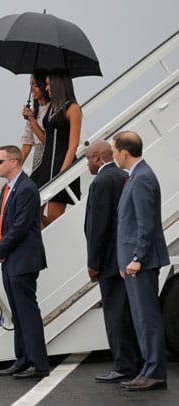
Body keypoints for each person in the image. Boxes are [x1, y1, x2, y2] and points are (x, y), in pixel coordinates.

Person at [112, 131, 170, 391]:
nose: (113, 155)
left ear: (125, 152)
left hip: (142, 263)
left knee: (148, 318)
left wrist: (136, 258)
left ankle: (155, 372)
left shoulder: (142, 178)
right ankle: (148, 369)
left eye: (114, 151)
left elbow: (146, 225)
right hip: (134, 264)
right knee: (140, 318)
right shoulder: (135, 176)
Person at [83, 140, 142, 383]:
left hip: (108, 261)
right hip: (123, 257)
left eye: (88, 159)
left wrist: (93, 262)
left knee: (115, 315)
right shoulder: (124, 176)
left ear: (98, 158)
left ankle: (123, 366)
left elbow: (99, 227)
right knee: (127, 314)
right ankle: (134, 361)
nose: (87, 164)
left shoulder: (101, 182)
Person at [0, 145, 49, 379]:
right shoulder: (8, 189)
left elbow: (20, 227)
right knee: (17, 312)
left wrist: (1, 249)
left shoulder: (26, 188)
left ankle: (39, 363)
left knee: (27, 312)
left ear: (14, 162)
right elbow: (3, 223)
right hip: (11, 258)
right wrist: (0, 249)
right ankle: (23, 359)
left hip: (23, 259)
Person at [30, 69, 81, 227]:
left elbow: (73, 144)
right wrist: (31, 119)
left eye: (48, 84)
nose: (46, 88)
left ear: (58, 84)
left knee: (53, 220)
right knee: (31, 211)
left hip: (61, 166)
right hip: (45, 168)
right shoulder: (51, 107)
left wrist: (62, 174)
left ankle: (53, 245)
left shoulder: (73, 108)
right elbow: (46, 139)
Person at [20, 70, 49, 173]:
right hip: (37, 157)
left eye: (35, 85)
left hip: (49, 156)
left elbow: (47, 140)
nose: (32, 89)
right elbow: (27, 144)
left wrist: (32, 120)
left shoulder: (53, 109)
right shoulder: (33, 111)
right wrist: (16, 169)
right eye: (30, 85)